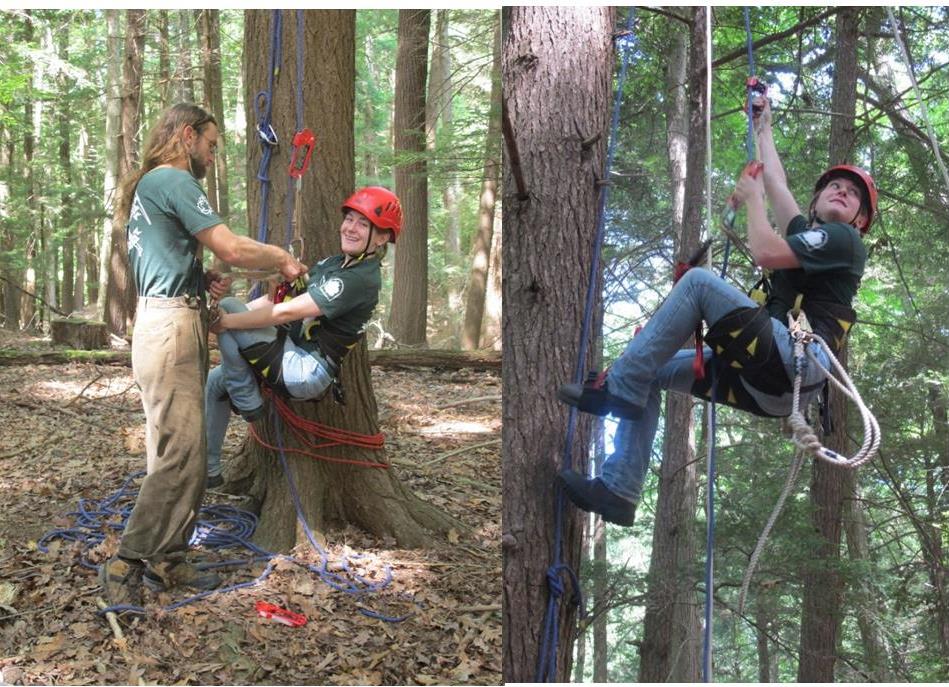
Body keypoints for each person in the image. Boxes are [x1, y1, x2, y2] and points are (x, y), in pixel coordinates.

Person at [557, 98, 876, 526]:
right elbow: (779, 185)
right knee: (649, 369)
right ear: (817, 201)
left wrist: (753, 199)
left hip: (794, 362)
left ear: (857, 221)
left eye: (854, 195)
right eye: (835, 187)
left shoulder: (844, 242)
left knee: (697, 284)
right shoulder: (809, 234)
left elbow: (765, 251)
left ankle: (620, 389)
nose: (843, 192)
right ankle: (618, 490)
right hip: (769, 382)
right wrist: (763, 128)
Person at [99, 103, 307, 606]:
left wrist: (198, 278)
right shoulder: (173, 181)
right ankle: (125, 563)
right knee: (183, 456)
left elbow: (162, 257)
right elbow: (230, 247)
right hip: (169, 330)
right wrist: (280, 258)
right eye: (211, 145)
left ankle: (168, 561)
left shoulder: (150, 186)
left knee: (175, 452)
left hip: (169, 319)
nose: (212, 157)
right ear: (187, 136)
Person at [204, 186, 402, 487]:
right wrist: (237, 304)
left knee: (232, 314)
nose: (351, 228)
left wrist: (227, 320)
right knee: (216, 382)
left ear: (383, 237)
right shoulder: (332, 265)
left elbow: (285, 314)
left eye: (363, 224)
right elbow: (276, 303)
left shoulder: (359, 279)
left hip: (306, 370)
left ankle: (246, 398)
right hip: (291, 351)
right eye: (349, 219)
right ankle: (209, 470)